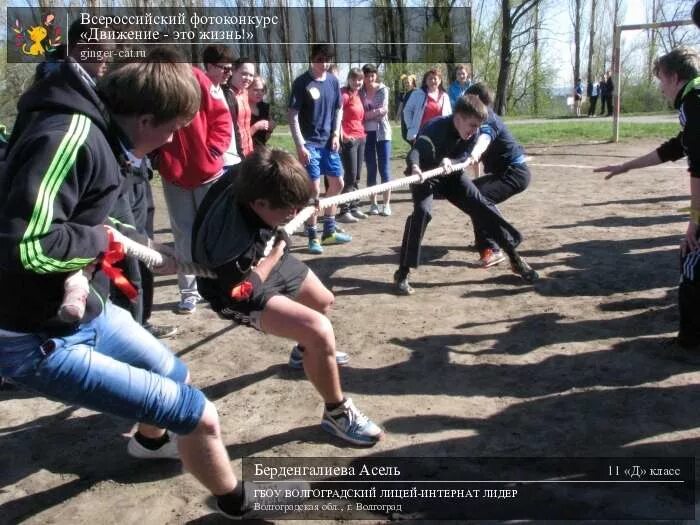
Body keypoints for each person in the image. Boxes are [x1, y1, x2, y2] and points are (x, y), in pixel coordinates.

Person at [0, 50, 303, 519]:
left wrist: (140, 245)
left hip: (83, 306)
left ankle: (148, 442)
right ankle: (237, 506)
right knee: (199, 415)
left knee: (174, 375)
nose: (176, 137)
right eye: (176, 126)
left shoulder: (105, 137)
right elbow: (24, 246)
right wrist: (100, 242)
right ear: (145, 119)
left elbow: (93, 212)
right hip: (34, 335)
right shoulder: (71, 136)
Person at [191, 149, 384, 446]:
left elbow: (283, 182)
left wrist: (304, 201)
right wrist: (278, 250)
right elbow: (242, 291)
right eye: (288, 210)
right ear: (260, 204)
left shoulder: (258, 176)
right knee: (318, 331)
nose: (294, 215)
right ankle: (336, 413)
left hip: (266, 253)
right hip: (236, 286)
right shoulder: (227, 241)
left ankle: (303, 353)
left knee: (323, 301)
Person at [594, 46, 700, 349]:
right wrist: (626, 166)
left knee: (691, 258)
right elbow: (676, 147)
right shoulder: (695, 101)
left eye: (662, 82)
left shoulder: (693, 104)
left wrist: (694, 222)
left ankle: (690, 343)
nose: (661, 89)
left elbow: (699, 169)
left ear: (675, 78)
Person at [394, 95, 538, 295]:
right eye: (471, 125)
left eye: (477, 126)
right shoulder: (435, 127)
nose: (473, 131)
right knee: (422, 212)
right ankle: (403, 272)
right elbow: (415, 152)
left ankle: (514, 258)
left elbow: (463, 156)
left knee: (481, 206)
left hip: (452, 175)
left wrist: (450, 162)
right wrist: (415, 167)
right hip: (424, 176)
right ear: (459, 117)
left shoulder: (474, 133)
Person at [157, 58, 233, 315]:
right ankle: (189, 293)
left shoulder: (197, 78)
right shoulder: (152, 80)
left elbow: (222, 119)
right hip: (174, 177)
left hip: (208, 173)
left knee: (213, 233)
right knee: (183, 236)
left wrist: (213, 150)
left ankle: (220, 286)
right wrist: (159, 159)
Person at [288, 43, 351, 255]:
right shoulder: (301, 83)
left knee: (338, 183)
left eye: (327, 59)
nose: (323, 63)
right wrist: (300, 145)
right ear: (312, 58)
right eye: (319, 59)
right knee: (313, 191)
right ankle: (312, 235)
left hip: (328, 143)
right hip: (310, 145)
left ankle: (329, 230)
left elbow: (339, 109)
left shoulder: (333, 81)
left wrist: (336, 133)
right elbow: (293, 115)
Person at [464, 83, 533, 268]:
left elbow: (484, 139)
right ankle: (489, 240)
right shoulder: (477, 121)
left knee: (479, 197)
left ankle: (495, 248)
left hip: (515, 173)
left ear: (478, 102)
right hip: (505, 172)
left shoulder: (489, 120)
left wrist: (475, 154)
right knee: (472, 191)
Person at [360, 63, 393, 216]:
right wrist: (372, 113)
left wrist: (366, 115)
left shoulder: (383, 89)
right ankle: (373, 203)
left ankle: (386, 204)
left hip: (383, 133)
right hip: (366, 134)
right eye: (366, 76)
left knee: (384, 169)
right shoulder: (360, 92)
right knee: (371, 169)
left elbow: (384, 110)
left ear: (376, 75)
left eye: (372, 75)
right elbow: (360, 113)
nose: (370, 79)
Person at [202, 44, 241, 170]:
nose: (230, 73)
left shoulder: (226, 92)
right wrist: (210, 157)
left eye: (231, 69)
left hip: (233, 160)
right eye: (225, 69)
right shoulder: (198, 93)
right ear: (210, 66)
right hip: (215, 164)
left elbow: (234, 127)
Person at [337, 68, 367, 223]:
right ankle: (344, 210)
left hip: (361, 137)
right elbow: (336, 116)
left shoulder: (358, 95)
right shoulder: (344, 94)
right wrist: (343, 135)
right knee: (350, 175)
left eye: (360, 79)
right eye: (354, 79)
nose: (357, 82)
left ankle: (354, 206)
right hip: (349, 140)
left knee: (357, 176)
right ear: (348, 79)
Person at [402, 68, 452, 144]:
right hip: (422, 135)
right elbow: (407, 111)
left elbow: (449, 116)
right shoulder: (417, 94)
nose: (432, 81)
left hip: (441, 135)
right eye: (430, 79)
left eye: (435, 78)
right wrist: (410, 127)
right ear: (425, 81)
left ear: (440, 80)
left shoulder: (445, 96)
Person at [225, 59, 256, 159]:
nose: (248, 78)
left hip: (249, 151)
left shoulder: (245, 92)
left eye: (251, 75)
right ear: (233, 71)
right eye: (244, 74)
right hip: (235, 154)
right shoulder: (226, 95)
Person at [248, 75, 275, 149]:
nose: (259, 93)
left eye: (262, 90)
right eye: (256, 90)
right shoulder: (242, 107)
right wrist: (256, 127)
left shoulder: (265, 108)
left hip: (260, 150)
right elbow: (240, 138)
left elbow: (266, 137)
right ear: (247, 89)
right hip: (245, 150)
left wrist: (271, 127)